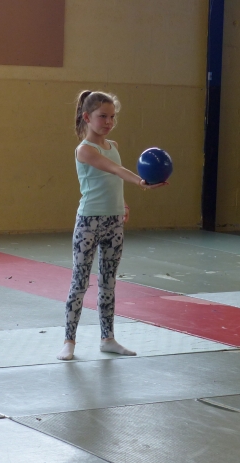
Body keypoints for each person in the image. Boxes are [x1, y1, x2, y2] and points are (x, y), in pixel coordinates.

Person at [57, 91, 168, 361]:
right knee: (80, 282)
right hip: (89, 223)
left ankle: (108, 338)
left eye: (112, 117)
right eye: (102, 116)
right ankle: (69, 341)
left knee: (109, 282)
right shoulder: (84, 149)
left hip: (114, 222)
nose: (108, 122)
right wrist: (141, 181)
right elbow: (114, 170)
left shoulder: (113, 145)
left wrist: (123, 204)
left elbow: (112, 184)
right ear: (87, 117)